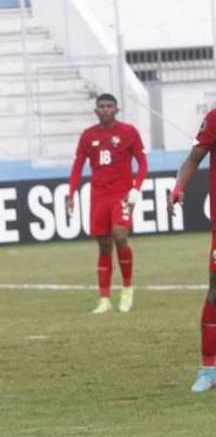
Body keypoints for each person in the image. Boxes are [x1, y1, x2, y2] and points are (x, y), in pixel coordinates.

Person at [66, 94, 147, 314]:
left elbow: (142, 163)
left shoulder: (129, 132)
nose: (105, 110)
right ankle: (104, 299)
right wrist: (70, 193)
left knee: (120, 236)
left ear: (116, 110)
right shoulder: (88, 136)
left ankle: (127, 290)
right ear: (96, 111)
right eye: (101, 106)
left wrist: (135, 189)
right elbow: (77, 166)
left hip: (120, 195)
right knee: (104, 245)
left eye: (109, 106)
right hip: (98, 197)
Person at [169, 109, 216, 392]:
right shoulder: (213, 118)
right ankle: (208, 369)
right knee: (215, 293)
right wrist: (178, 187)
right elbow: (193, 158)